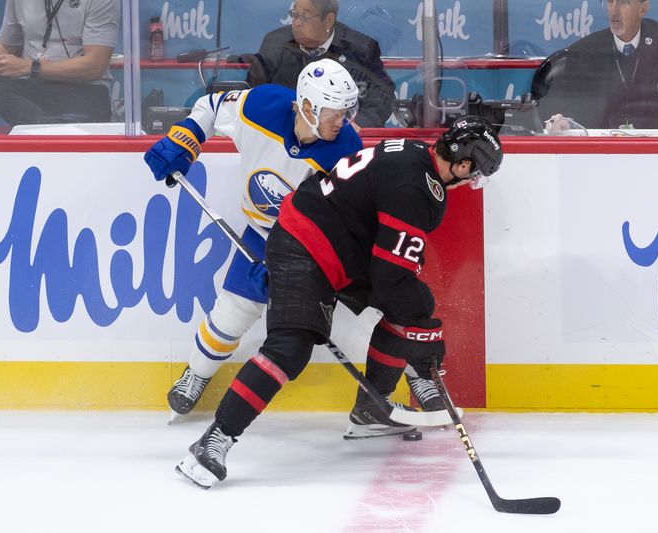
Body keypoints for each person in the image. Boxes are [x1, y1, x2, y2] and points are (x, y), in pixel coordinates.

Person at [175, 116, 504, 488]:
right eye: (474, 175)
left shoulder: (414, 152)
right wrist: (425, 341)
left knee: (413, 304)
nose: (469, 183)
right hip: (306, 245)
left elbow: (391, 268)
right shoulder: (420, 190)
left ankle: (371, 410)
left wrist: (418, 329)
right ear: (462, 164)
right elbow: (389, 277)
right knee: (291, 345)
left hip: (336, 245)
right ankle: (214, 440)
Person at [144, 58, 368, 416]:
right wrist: (186, 138)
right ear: (307, 107)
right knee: (234, 311)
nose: (343, 121)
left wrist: (294, 269)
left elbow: (349, 220)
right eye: (334, 112)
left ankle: (385, 394)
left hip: (310, 245)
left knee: (332, 324)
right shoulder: (260, 107)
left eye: (346, 111)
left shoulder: (346, 151)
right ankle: (197, 374)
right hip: (261, 233)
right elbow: (212, 107)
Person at [542, 0, 658, 133]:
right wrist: (564, 122)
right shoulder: (585, 50)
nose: (614, 10)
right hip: (603, 155)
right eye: (610, 1)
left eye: (623, 2)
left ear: (643, 8)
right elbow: (573, 111)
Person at [0, 0, 119, 126]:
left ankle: (45, 135)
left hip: (85, 90)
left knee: (91, 104)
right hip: (35, 90)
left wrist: (29, 67)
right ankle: (52, 133)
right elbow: (6, 47)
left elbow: (95, 65)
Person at [245, 0, 395, 129]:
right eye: (294, 14)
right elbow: (253, 93)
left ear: (329, 20)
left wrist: (359, 124)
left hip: (339, 137)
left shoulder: (360, 49)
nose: (296, 23)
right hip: (285, 135)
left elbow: (384, 96)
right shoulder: (275, 43)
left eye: (305, 16)